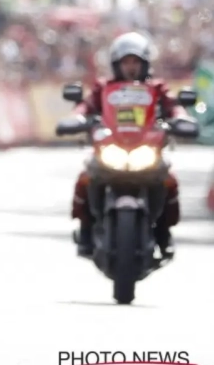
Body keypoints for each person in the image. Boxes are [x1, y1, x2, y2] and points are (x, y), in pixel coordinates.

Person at [70, 32, 185, 258]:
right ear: (116, 64)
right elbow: (85, 107)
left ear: (144, 64)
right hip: (110, 148)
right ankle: (85, 230)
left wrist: (181, 118)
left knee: (169, 180)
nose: (131, 67)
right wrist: (76, 118)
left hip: (146, 150)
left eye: (135, 62)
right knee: (85, 178)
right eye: (126, 62)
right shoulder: (103, 87)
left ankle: (163, 232)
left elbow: (174, 107)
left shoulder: (157, 87)